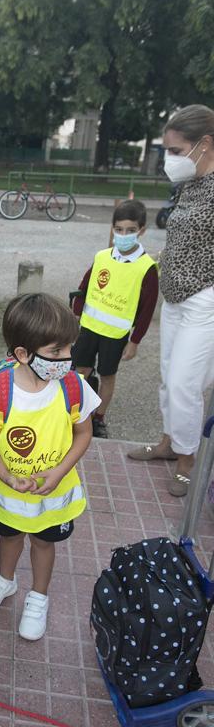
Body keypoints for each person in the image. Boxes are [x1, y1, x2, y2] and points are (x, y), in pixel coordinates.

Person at [0, 293, 99, 640]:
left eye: (69, 348)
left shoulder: (74, 387)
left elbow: (84, 432)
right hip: (10, 494)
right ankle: (5, 580)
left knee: (43, 542)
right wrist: (5, 474)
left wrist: (59, 472)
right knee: (10, 535)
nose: (67, 358)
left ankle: (38, 596)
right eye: (56, 352)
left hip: (53, 495)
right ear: (23, 354)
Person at [128, 105, 214, 496]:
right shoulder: (191, 184)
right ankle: (169, 442)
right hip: (175, 295)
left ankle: (187, 460)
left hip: (204, 297)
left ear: (204, 144)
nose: (170, 159)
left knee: (184, 383)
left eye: (176, 150)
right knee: (168, 376)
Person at [71, 199, 158, 438]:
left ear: (141, 231)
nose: (124, 235)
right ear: (112, 228)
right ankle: (75, 415)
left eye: (130, 230)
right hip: (89, 328)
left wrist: (135, 341)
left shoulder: (147, 268)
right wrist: (76, 314)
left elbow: (147, 309)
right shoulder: (102, 257)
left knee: (107, 376)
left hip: (115, 335)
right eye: (119, 229)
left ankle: (98, 419)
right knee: (80, 371)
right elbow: (84, 286)